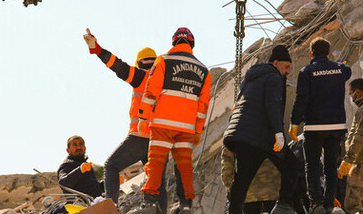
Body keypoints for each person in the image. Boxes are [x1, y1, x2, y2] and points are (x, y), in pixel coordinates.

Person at [83, 29, 175, 212]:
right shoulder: (166, 83)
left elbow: (118, 66)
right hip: (160, 140)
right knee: (158, 182)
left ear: (139, 63)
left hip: (140, 136)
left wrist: (97, 49)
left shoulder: (142, 76)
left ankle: (111, 207)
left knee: (111, 166)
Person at [128, 27, 212, 214]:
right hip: (187, 128)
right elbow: (203, 105)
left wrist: (143, 116)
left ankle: (149, 203)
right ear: (192, 43)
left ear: (174, 42)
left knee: (156, 163)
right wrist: (197, 130)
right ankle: (186, 206)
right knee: (184, 166)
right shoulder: (204, 70)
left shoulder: (164, 61)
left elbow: (151, 91)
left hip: (162, 124)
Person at [223, 44, 299, 214]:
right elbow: (271, 105)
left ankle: (233, 211)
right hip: (260, 136)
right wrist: (279, 133)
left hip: (243, 135)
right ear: (276, 62)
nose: (287, 71)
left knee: (242, 178)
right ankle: (284, 205)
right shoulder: (273, 77)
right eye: (286, 67)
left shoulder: (250, 79)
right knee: (291, 164)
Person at [289, 37, 351, 214]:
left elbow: (301, 99)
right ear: (329, 53)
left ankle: (316, 204)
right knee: (331, 166)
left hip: (314, 127)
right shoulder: (340, 69)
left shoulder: (306, 71)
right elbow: (346, 69)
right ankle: (329, 203)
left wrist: (294, 122)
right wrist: (339, 65)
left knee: (312, 166)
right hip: (336, 127)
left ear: (311, 53)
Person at [338, 78, 363, 214]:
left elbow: (359, 137)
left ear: (358, 93)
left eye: (350, 94)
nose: (351, 98)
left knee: (353, 204)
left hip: (359, 163)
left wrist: (348, 160)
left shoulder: (362, 111)